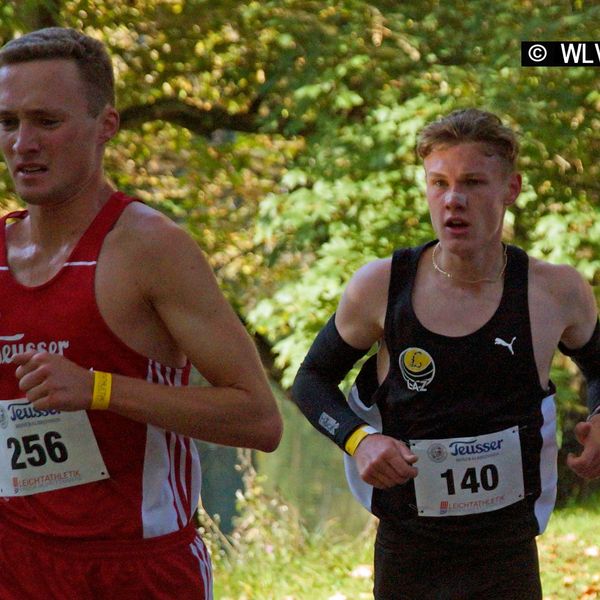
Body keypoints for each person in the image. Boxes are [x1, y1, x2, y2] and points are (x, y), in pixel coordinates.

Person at [0, 27, 282, 599]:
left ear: (106, 126)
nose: (23, 143)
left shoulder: (151, 248)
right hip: (15, 561)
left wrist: (99, 389)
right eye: (8, 122)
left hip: (135, 568)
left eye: (46, 122)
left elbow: (258, 419)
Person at [292, 108, 599, 599]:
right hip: (412, 547)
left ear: (511, 189)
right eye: (439, 183)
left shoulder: (554, 290)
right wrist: (360, 440)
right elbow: (310, 380)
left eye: (474, 183)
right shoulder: (382, 285)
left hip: (508, 549)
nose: (453, 200)